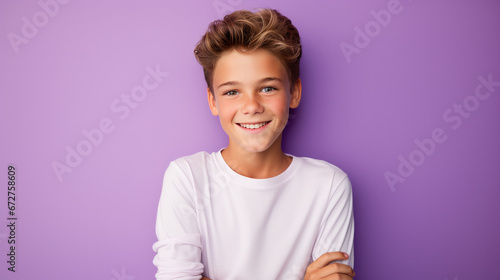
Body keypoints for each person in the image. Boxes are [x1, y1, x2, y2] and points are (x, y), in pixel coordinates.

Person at [152, 8, 355, 280]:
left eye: (268, 88)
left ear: (294, 92)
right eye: (232, 92)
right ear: (213, 101)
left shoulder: (329, 185)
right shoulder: (187, 177)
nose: (251, 106)